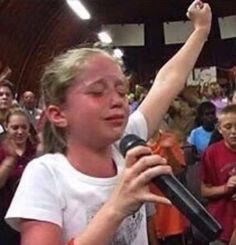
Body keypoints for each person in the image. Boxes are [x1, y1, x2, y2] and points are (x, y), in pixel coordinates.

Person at [5, 1, 212, 244]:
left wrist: (201, 31)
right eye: (97, 92)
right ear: (58, 114)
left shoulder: (125, 140)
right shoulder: (46, 175)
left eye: (121, 91)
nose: (117, 101)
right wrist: (116, 207)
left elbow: (167, 81)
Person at [0, 108, 37, 245]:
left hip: (30, 216)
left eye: (24, 127)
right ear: (6, 127)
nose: (20, 132)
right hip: (4, 217)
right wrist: (10, 159)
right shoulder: (1, 150)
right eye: (15, 127)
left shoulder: (36, 151)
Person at [201, 104, 236, 245]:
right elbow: (204, 191)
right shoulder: (211, 153)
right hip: (221, 224)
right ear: (219, 129)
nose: (234, 131)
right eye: (228, 127)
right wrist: (226, 188)